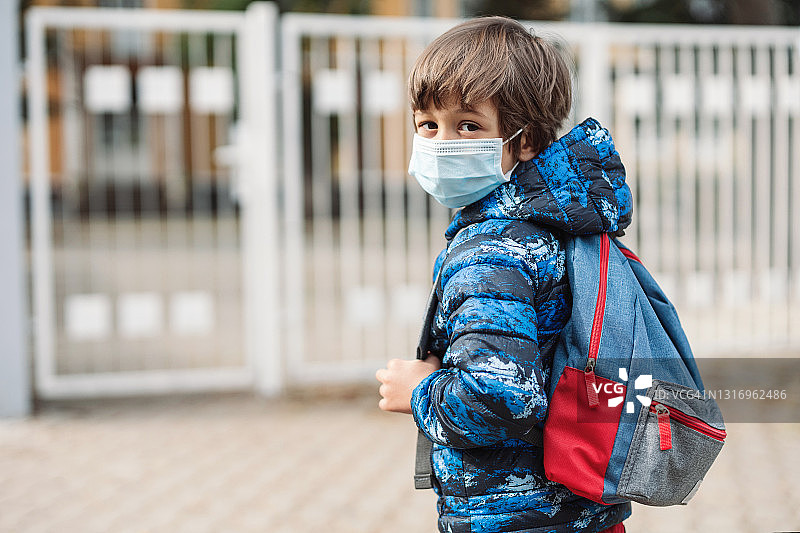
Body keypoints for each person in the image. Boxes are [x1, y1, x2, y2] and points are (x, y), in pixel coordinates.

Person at [375, 16, 633, 533]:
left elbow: (500, 398)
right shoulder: (552, 223)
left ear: (525, 141)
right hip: (576, 511)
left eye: (468, 125)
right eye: (428, 124)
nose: (441, 141)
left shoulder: (492, 249)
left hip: (516, 519)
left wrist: (419, 390)